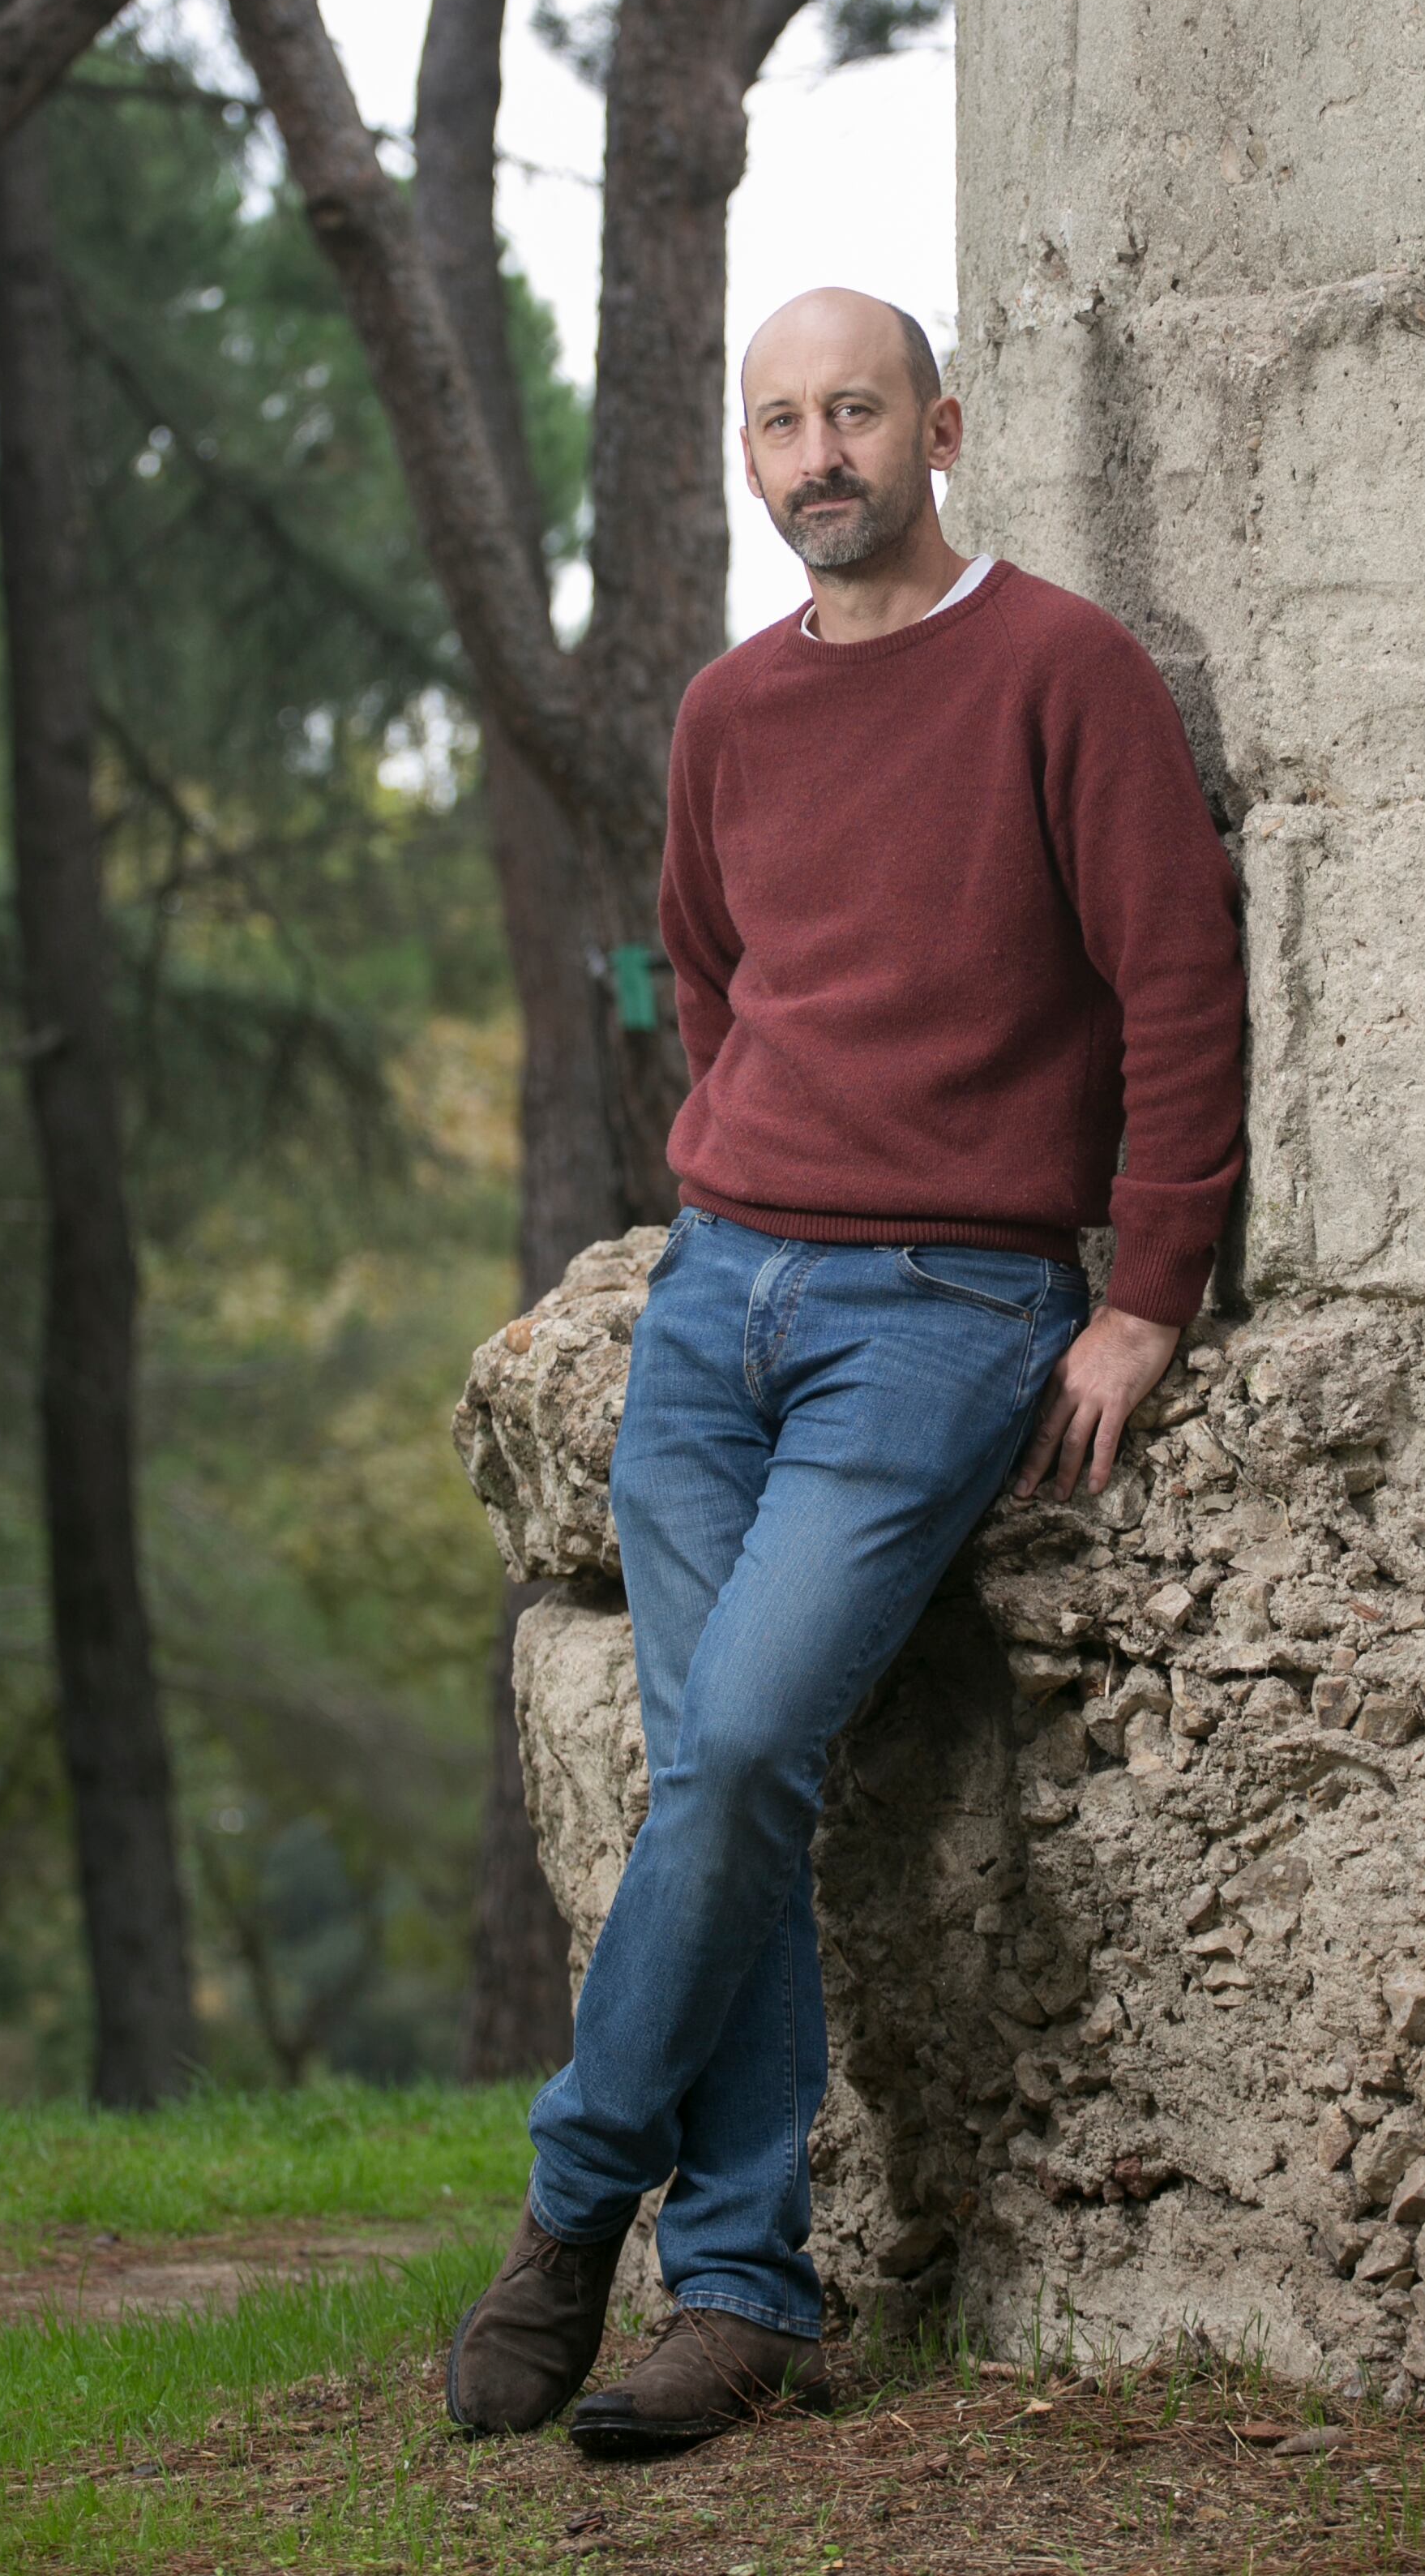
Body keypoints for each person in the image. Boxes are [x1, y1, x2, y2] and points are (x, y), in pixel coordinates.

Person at [446, 286, 1244, 2456]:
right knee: (736, 1772)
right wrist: (757, 1187)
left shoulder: (1060, 673)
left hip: (947, 1311)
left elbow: (1177, 987)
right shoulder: (725, 714)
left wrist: (1144, 1288)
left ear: (942, 429)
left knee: (729, 1759)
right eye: (782, 420)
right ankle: (739, 2292)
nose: (822, 453)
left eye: (858, 412)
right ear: (750, 453)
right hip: (717, 1305)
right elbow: (715, 974)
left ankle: (566, 2207)